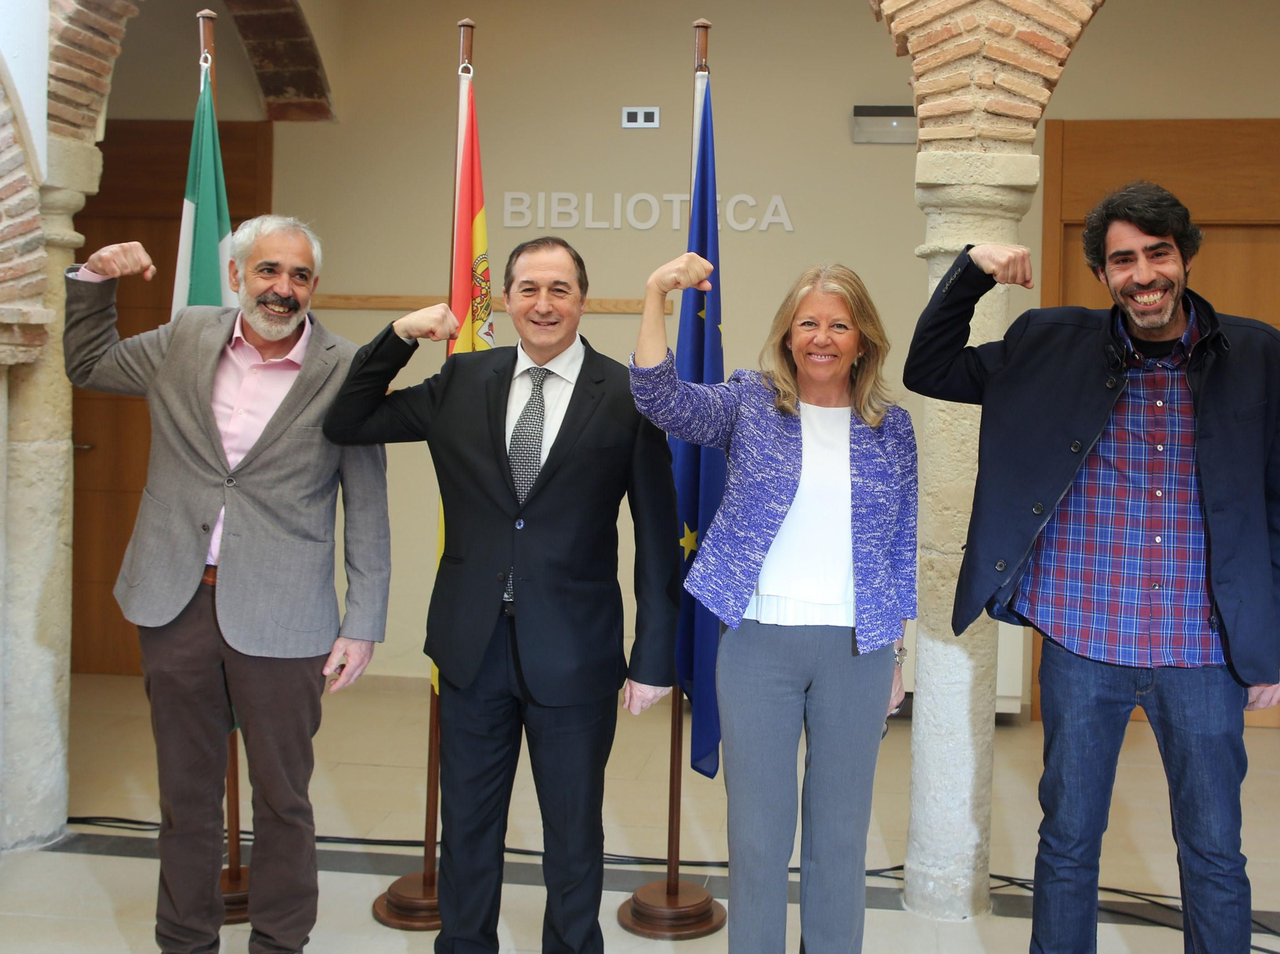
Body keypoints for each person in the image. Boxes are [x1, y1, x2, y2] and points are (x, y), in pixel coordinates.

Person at [904, 181, 1280, 953]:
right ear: (1102, 273)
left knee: (1214, 851)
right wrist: (972, 270)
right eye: (1123, 260)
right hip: (1082, 640)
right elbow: (929, 369)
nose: (1143, 274)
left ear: (1185, 257)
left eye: (1158, 254)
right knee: (1067, 842)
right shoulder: (1047, 343)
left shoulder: (1261, 355)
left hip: (1203, 649)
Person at [323, 235, 679, 954]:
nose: (543, 304)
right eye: (528, 289)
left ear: (582, 300)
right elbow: (348, 419)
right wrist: (398, 337)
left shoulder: (626, 396)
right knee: (468, 829)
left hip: (575, 655)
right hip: (470, 649)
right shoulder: (462, 379)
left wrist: (653, 657)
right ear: (506, 300)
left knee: (573, 836)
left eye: (559, 289)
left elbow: (657, 536)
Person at [63, 214, 392, 954]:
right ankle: (184, 941)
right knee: (185, 797)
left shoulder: (346, 367)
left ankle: (279, 942)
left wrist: (363, 620)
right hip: (175, 601)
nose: (283, 289)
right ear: (239, 275)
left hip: (286, 613)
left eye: (300, 276)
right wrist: (94, 280)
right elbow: (87, 364)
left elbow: (367, 505)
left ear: (314, 286)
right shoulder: (185, 337)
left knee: (283, 799)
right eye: (269, 270)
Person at [628, 254, 917, 954]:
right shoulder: (751, 403)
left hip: (858, 651)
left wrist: (897, 654)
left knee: (840, 838)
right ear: (788, 335)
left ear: (863, 340)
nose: (822, 337)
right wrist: (656, 293)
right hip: (758, 646)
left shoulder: (893, 427)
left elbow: (900, 545)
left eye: (839, 325)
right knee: (758, 837)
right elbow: (660, 399)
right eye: (807, 323)